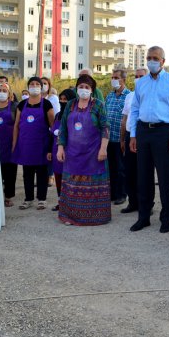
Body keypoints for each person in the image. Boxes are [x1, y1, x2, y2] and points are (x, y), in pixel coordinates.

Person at [129, 46, 169, 233]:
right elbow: (135, 109)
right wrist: (133, 135)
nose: (151, 61)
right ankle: (143, 217)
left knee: (164, 177)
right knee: (143, 176)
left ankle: (166, 218)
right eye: (149, 57)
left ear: (163, 61)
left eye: (155, 58)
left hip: (163, 131)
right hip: (143, 130)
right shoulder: (141, 83)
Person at [56, 74, 111, 226]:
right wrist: (60, 148)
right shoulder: (70, 105)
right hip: (72, 153)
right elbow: (63, 128)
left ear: (92, 90)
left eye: (87, 87)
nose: (83, 90)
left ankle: (93, 217)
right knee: (72, 185)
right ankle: (70, 216)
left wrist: (103, 149)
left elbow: (105, 127)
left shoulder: (98, 105)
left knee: (93, 184)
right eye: (81, 87)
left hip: (93, 153)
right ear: (76, 88)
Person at [12, 77, 55, 210]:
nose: (34, 86)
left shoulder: (47, 104)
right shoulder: (21, 104)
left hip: (41, 144)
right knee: (27, 173)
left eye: (37, 84)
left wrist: (51, 148)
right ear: (28, 86)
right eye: (32, 84)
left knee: (42, 173)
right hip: (25, 145)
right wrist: (14, 145)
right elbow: (16, 126)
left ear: (41, 87)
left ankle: (42, 199)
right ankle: (28, 199)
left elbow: (53, 127)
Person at [120, 67, 148, 214]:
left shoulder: (150, 94)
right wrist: (122, 139)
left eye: (141, 76)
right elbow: (125, 118)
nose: (138, 78)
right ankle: (133, 202)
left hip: (144, 137)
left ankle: (146, 204)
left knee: (144, 173)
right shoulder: (130, 96)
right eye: (136, 76)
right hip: (130, 136)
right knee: (129, 172)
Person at [105, 69, 131, 205]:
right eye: (112, 77)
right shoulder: (109, 96)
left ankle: (122, 194)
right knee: (111, 168)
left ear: (123, 80)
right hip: (108, 139)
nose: (113, 79)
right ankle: (113, 193)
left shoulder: (129, 95)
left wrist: (123, 139)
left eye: (116, 77)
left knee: (121, 168)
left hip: (120, 138)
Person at [48, 89, 76, 211]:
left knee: (69, 177)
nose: (63, 101)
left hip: (70, 150)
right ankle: (61, 201)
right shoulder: (58, 115)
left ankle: (71, 202)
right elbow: (51, 133)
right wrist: (49, 150)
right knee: (58, 177)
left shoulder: (75, 114)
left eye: (66, 99)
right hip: (56, 149)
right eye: (61, 99)